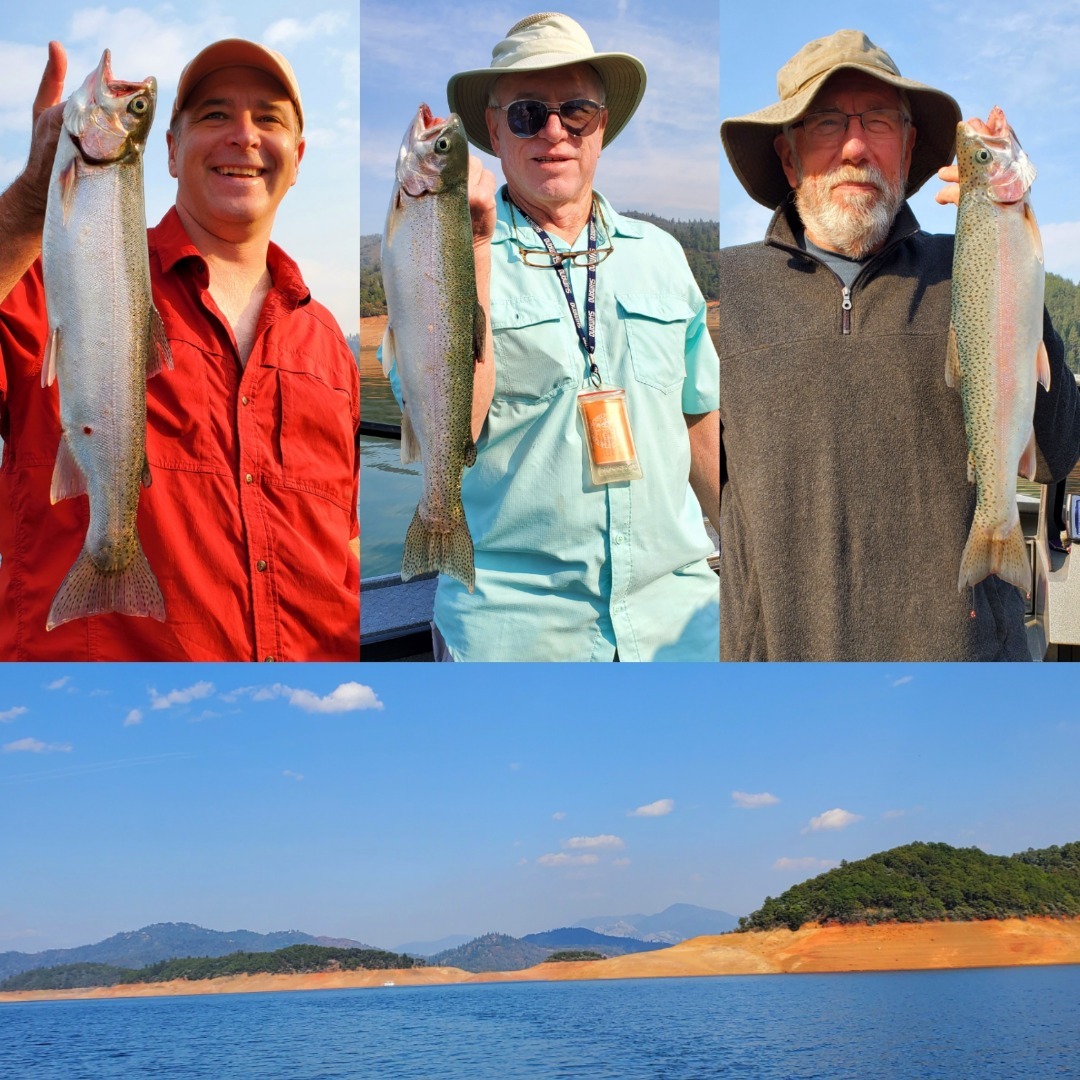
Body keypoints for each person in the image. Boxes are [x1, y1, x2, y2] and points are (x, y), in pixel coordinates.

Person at [718, 29, 1080, 661]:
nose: (855, 145)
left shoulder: (965, 266)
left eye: (879, 120)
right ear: (787, 155)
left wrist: (1013, 269)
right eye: (826, 122)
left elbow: (1064, 443)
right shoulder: (725, 296)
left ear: (910, 147)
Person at [0, 39, 359, 661]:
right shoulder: (39, 278)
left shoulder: (330, 345)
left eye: (268, 118)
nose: (243, 136)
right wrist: (31, 203)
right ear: (168, 150)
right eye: (215, 114)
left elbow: (344, 546)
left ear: (297, 159)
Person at [389, 13, 720, 661]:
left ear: (601, 125)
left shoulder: (661, 253)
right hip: (516, 632)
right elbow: (456, 431)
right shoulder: (436, 252)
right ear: (492, 130)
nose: (553, 132)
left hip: (682, 623)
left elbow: (700, 427)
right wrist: (475, 250)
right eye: (527, 114)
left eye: (576, 112)